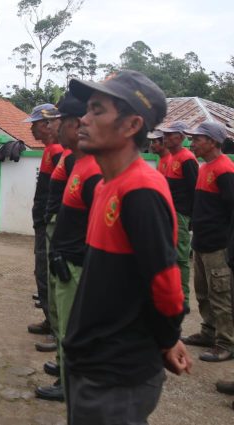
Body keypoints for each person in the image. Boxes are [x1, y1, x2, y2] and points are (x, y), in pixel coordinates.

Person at [63, 70, 192, 424]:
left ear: (132, 124)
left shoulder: (140, 191)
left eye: (97, 110)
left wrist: (168, 339)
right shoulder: (109, 185)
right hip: (92, 362)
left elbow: (166, 285)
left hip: (115, 375)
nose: (83, 121)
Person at [35, 93, 95, 403]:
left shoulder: (90, 167)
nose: (59, 128)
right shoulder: (74, 160)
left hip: (75, 258)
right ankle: (64, 368)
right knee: (61, 313)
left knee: (71, 319)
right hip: (62, 251)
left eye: (66, 122)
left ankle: (70, 379)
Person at [183, 121, 234, 362]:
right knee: (203, 292)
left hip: (217, 245)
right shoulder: (204, 168)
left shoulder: (225, 169)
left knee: (221, 296)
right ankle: (208, 332)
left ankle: (226, 343)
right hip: (201, 242)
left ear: (212, 142)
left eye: (197, 139)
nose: (192, 143)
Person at [25, 103, 63, 337]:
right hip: (42, 220)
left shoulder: (58, 152)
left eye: (35, 124)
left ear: (48, 124)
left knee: (47, 272)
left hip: (49, 222)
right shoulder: (49, 150)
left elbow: (55, 193)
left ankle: (56, 327)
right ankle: (50, 320)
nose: (31, 130)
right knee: (42, 272)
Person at [160, 121, 197, 311]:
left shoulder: (186, 159)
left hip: (180, 216)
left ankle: (183, 303)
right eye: (165, 134)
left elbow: (194, 191)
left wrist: (190, 219)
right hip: (170, 215)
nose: (165, 137)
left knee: (181, 260)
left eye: (170, 134)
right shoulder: (170, 159)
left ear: (181, 137)